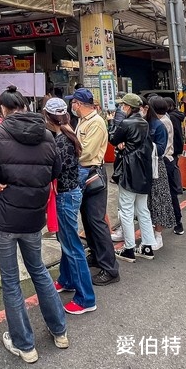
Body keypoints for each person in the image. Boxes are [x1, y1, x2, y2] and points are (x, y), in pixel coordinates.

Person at [0, 85, 67, 364]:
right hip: (33, 217)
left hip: (4, 219)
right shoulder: (46, 135)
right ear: (24, 106)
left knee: (11, 282)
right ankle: (60, 331)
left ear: (3, 109)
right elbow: (56, 170)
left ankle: (25, 345)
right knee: (40, 272)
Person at [42, 97, 96, 316]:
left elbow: (55, 170)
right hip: (70, 193)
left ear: (48, 116)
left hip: (65, 195)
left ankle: (86, 298)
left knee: (72, 246)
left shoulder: (61, 140)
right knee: (65, 240)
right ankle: (67, 279)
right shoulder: (67, 133)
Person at [69, 88, 119, 286]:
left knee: (96, 221)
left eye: (73, 103)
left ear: (79, 104)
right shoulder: (83, 121)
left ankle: (110, 268)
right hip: (83, 173)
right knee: (88, 220)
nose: (71, 106)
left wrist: (68, 159)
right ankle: (97, 256)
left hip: (92, 173)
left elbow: (87, 153)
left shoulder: (96, 123)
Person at [110, 93, 157, 262]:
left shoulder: (126, 123)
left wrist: (121, 144)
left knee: (126, 210)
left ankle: (129, 248)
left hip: (129, 172)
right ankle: (147, 246)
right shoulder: (144, 123)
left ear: (128, 107)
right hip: (144, 172)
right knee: (143, 210)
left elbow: (114, 139)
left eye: (123, 105)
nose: (121, 108)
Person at [145, 98, 177, 250]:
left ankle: (159, 235)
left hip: (159, 164)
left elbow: (160, 149)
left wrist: (140, 145)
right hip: (148, 165)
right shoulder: (150, 122)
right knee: (149, 200)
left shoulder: (161, 123)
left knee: (160, 199)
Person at [163, 97, 185, 235]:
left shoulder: (167, 119)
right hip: (171, 156)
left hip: (167, 157)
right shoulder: (172, 117)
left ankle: (177, 221)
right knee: (170, 191)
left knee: (170, 191)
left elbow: (174, 138)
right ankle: (175, 220)